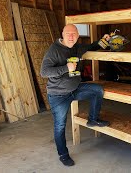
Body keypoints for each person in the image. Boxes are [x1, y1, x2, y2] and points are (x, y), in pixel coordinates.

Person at [40, 24, 110, 166]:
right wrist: (66, 68)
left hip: (75, 89)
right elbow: (44, 72)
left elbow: (91, 46)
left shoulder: (77, 47)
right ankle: (63, 154)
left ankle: (93, 119)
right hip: (58, 95)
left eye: (74, 34)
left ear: (78, 36)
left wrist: (104, 40)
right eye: (68, 34)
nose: (71, 37)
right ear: (62, 34)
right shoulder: (54, 50)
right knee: (60, 125)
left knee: (97, 90)